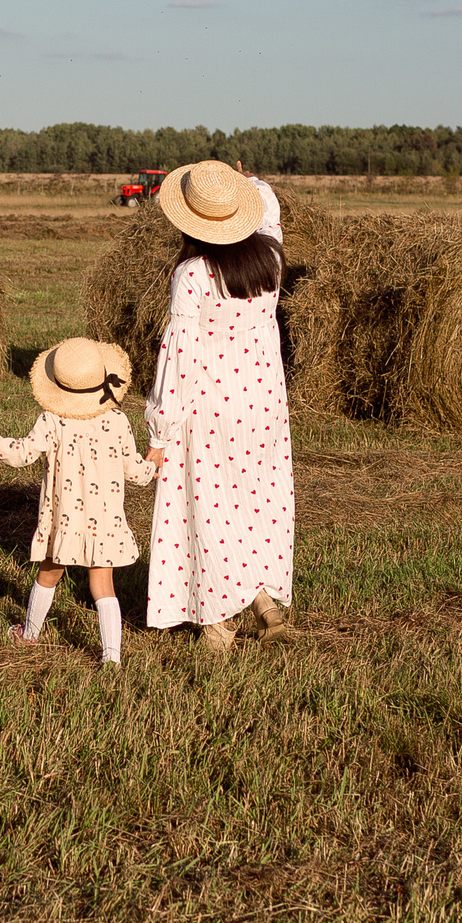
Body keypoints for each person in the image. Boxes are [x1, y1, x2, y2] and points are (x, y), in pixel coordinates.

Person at [143, 159, 295, 650]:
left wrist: (161, 429)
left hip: (210, 410)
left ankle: (215, 625)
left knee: (209, 511)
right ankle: (264, 601)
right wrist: (249, 184)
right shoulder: (269, 260)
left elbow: (178, 356)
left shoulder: (192, 273)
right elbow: (268, 215)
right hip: (264, 405)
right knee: (258, 502)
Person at [0, 337, 158, 665]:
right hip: (106, 522)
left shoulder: (52, 420)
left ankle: (29, 634)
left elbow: (22, 454)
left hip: (64, 520)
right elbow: (136, 473)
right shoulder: (117, 421)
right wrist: (154, 465)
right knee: (103, 585)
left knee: (49, 573)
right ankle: (111, 657)